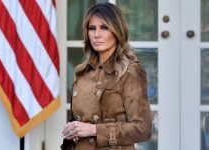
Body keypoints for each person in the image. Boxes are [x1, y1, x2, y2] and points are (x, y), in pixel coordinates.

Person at [61, 2, 152, 150]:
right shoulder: (82, 72)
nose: (96, 34)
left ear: (117, 31)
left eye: (104, 28)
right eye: (92, 28)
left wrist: (94, 130)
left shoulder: (130, 72)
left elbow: (143, 129)